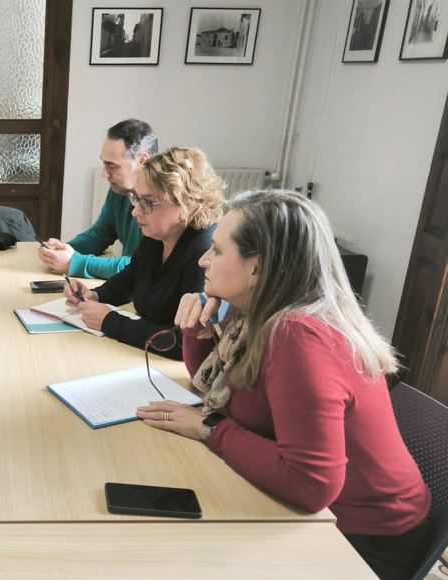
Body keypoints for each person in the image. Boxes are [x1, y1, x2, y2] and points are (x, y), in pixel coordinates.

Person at [139, 190, 431, 580]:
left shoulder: (300, 337)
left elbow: (312, 484)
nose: (203, 260)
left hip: (365, 538)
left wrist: (208, 428)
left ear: (257, 268)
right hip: (322, 512)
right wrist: (198, 330)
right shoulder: (258, 313)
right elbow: (216, 389)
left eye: (218, 251)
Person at [63, 147, 224, 360]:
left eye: (147, 203)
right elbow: (132, 277)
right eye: (136, 199)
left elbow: (184, 343)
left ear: (186, 205)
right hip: (144, 356)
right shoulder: (158, 235)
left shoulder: (204, 255)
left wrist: (111, 322)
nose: (135, 211)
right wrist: (96, 295)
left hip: (168, 368)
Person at [38, 119, 157, 280]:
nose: (104, 174)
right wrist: (62, 251)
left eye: (112, 166)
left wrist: (74, 262)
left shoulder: (161, 204)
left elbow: (139, 265)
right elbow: (100, 234)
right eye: (104, 164)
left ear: (142, 160)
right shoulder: (120, 192)